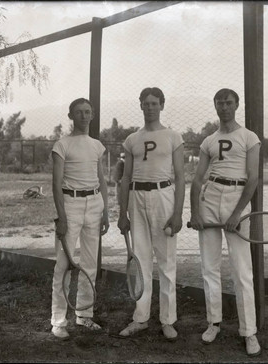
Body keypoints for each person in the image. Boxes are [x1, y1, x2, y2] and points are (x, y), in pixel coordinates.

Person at [189, 88, 262, 356]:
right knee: (209, 266)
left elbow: (253, 178)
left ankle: (249, 332)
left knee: (242, 270)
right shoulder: (209, 140)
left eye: (228, 103)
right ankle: (214, 322)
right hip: (211, 197)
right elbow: (197, 179)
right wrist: (195, 213)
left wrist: (236, 214)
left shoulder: (249, 137)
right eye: (219, 103)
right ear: (215, 106)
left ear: (237, 105)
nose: (224, 107)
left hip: (236, 198)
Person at [117, 87, 185, 341]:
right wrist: (122, 212)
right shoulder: (132, 139)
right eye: (145, 103)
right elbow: (125, 178)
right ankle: (140, 318)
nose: (150, 107)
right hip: (136, 197)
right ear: (141, 106)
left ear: (162, 105)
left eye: (154, 103)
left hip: (162, 196)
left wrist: (177, 213)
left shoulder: (173, 136)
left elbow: (180, 177)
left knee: (166, 262)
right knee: (141, 259)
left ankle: (168, 320)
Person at [50, 98, 109, 339]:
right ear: (71, 116)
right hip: (70, 204)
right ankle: (58, 320)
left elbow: (102, 180)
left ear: (92, 115)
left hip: (94, 204)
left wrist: (105, 210)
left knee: (89, 263)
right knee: (63, 265)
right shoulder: (62, 145)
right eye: (79, 112)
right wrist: (62, 217)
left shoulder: (97, 145)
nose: (84, 116)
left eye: (87, 112)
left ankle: (84, 315)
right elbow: (55, 184)